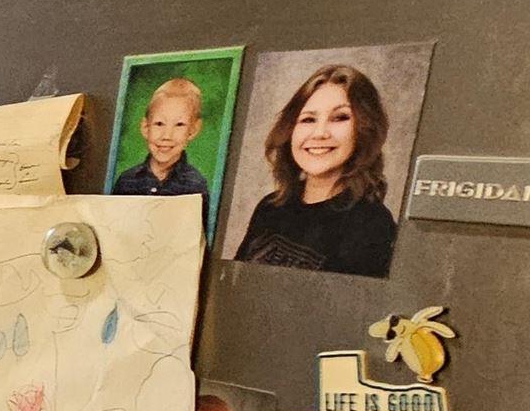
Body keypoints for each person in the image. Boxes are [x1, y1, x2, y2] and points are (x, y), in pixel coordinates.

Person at [231, 63, 400, 277]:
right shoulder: (270, 207)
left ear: (364, 129)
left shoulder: (372, 225)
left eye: (339, 118)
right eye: (308, 119)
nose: (319, 133)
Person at [112, 77, 211, 198]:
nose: (167, 136)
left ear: (193, 130)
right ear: (145, 127)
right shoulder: (126, 181)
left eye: (179, 125)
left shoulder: (196, 185)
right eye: (159, 124)